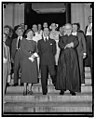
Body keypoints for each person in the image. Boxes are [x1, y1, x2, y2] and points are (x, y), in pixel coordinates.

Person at [55, 23, 80, 95]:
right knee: (63, 71)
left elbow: (76, 43)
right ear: (64, 29)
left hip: (72, 57)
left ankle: (72, 89)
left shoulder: (75, 37)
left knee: (72, 71)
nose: (68, 30)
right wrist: (67, 45)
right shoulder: (62, 37)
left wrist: (71, 44)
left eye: (69, 29)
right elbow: (60, 44)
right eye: (66, 29)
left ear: (71, 29)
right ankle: (62, 88)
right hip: (63, 56)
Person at [38, 27, 56, 95]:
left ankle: (55, 83)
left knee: (53, 74)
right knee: (43, 77)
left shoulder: (52, 41)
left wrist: (50, 56)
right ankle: (44, 91)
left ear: (49, 32)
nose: (46, 32)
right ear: (43, 32)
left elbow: (54, 51)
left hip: (51, 60)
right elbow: (39, 51)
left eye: (47, 30)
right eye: (44, 30)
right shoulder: (40, 42)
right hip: (43, 61)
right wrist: (43, 56)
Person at [20, 29, 39, 95]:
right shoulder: (23, 40)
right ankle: (24, 88)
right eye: (29, 33)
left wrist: (34, 55)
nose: (30, 34)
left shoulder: (34, 42)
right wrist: (30, 55)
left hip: (33, 60)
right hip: (26, 59)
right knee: (26, 73)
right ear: (26, 34)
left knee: (32, 73)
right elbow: (23, 50)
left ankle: (29, 89)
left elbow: (37, 50)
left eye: (32, 33)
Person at [3, 33, 11, 99]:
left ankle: (2, 97)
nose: (3, 39)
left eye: (4, 37)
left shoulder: (7, 47)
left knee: (4, 83)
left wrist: (9, 69)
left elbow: (9, 60)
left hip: (5, 67)